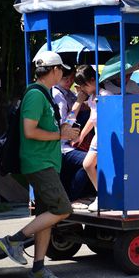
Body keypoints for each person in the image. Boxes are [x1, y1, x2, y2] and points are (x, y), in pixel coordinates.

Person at [0, 51, 80, 278]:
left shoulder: (44, 95)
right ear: (54, 70)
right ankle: (14, 241)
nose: (63, 74)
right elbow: (30, 131)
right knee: (63, 208)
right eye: (61, 70)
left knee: (48, 214)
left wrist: (63, 129)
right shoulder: (36, 95)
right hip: (39, 163)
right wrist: (59, 134)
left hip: (46, 163)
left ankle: (38, 270)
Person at [52, 65, 95, 204]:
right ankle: (71, 198)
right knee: (88, 164)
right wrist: (78, 102)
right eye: (66, 79)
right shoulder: (57, 95)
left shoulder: (68, 92)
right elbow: (66, 125)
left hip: (71, 142)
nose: (69, 82)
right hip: (62, 145)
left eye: (71, 79)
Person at [72, 65, 100, 212]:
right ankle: (102, 194)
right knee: (88, 165)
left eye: (84, 85)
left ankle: (102, 195)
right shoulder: (93, 97)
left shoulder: (104, 95)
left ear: (93, 80)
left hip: (104, 137)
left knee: (89, 165)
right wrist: (81, 136)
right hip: (98, 137)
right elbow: (92, 118)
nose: (82, 88)